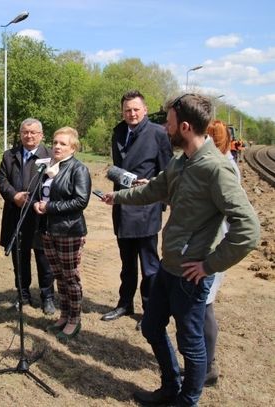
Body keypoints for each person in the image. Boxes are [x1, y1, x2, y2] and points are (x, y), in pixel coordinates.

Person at [102, 94, 260, 406]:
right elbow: (154, 189)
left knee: (190, 343)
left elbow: (249, 230)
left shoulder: (216, 169)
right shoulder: (181, 162)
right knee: (151, 326)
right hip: (168, 267)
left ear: (185, 127)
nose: (165, 127)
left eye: (169, 123)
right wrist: (117, 197)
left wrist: (209, 265)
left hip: (191, 274)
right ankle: (171, 386)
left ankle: (188, 400)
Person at [101, 90, 173, 328]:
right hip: (122, 206)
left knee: (149, 265)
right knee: (127, 262)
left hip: (146, 207)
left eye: (135, 109)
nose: (131, 114)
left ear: (145, 109)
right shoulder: (118, 131)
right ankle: (124, 303)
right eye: (127, 110)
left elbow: (168, 172)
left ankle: (150, 312)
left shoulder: (158, 133)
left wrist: (159, 198)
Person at [34, 127, 91, 343]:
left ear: (73, 148)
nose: (57, 146)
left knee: (70, 277)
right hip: (48, 230)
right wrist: (39, 206)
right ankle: (64, 315)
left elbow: (80, 201)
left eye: (63, 144)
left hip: (69, 231)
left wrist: (49, 207)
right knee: (59, 276)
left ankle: (75, 319)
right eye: (55, 142)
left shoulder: (78, 169)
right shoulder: (50, 167)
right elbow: (43, 194)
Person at [0, 118, 55, 315]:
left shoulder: (51, 156)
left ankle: (47, 297)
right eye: (25, 132)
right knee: (20, 259)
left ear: (41, 135)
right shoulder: (9, 156)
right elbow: (1, 179)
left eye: (33, 132)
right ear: (20, 134)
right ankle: (23, 295)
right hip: (16, 215)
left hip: (41, 217)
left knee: (44, 259)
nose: (29, 136)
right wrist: (13, 196)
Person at [202, 120, 240, 386]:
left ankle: (207, 367)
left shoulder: (223, 168)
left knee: (204, 308)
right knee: (204, 307)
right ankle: (205, 363)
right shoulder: (219, 163)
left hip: (214, 248)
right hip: (211, 245)